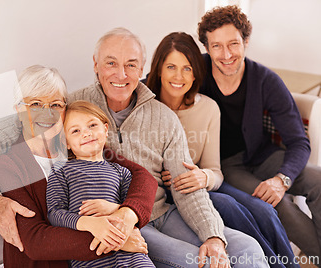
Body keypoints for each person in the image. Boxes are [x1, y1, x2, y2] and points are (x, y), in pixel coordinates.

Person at [68, 27, 268, 268]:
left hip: (162, 212)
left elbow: (187, 186)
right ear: (95, 64)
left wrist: (212, 236)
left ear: (141, 69)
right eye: (111, 63)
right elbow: (26, 135)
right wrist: (7, 202)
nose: (121, 74)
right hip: (121, 218)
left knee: (247, 248)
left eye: (131, 65)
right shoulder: (74, 107)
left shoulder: (163, 117)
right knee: (198, 262)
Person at [0, 64, 158, 267]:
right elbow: (35, 241)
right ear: (19, 110)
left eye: (55, 105)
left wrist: (127, 214)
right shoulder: (10, 164)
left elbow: (143, 178)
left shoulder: (77, 144)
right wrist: (117, 239)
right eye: (35, 104)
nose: (47, 114)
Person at [145, 31, 298, 267]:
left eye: (187, 68)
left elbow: (215, 171)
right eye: (171, 67)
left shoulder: (208, 108)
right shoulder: (146, 107)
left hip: (202, 183)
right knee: (227, 205)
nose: (179, 76)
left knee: (264, 211)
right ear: (158, 70)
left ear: (196, 72)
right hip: (171, 196)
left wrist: (202, 176)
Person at [197, 5, 321, 261]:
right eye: (216, 46)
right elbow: (156, 83)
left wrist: (282, 179)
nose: (226, 54)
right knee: (278, 204)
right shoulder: (196, 72)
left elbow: (298, 142)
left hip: (264, 156)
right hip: (224, 166)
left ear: (246, 41)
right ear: (207, 47)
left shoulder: (265, 80)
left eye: (233, 44)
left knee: (319, 181)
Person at [46, 100, 155, 267]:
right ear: (65, 142)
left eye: (92, 125)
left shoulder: (121, 172)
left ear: (105, 130)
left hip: (133, 256)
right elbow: (55, 213)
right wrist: (89, 223)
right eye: (75, 131)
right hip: (92, 260)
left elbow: (132, 209)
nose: (86, 133)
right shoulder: (60, 171)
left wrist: (114, 208)